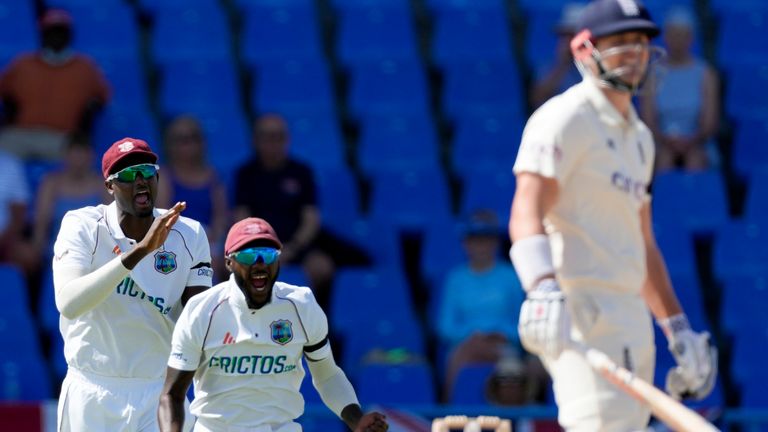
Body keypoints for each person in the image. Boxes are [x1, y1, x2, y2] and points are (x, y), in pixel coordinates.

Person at [508, 0, 717, 430]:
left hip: (631, 316)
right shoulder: (564, 117)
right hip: (580, 311)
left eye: (641, 41)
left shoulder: (640, 137)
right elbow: (526, 209)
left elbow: (641, 243)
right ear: (585, 49)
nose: (635, 52)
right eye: (620, 41)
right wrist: (541, 286)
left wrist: (676, 327)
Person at [157, 217, 389, 432]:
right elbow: (172, 395)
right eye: (248, 256)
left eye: (268, 254)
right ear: (229, 262)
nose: (260, 264)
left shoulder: (302, 305)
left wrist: (356, 419)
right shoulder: (202, 310)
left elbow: (327, 376)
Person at [52, 137, 213, 431]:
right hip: (92, 391)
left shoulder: (189, 234)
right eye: (127, 174)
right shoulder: (82, 225)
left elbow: (198, 325)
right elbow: (68, 304)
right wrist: (139, 251)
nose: (140, 181)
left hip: (159, 392)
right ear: (109, 186)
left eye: (147, 172)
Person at [233, 113, 369, 308]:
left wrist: (293, 248)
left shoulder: (301, 171)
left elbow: (311, 219)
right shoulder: (245, 174)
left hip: (297, 244)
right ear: (256, 140)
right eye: (267, 137)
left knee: (323, 267)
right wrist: (267, 251)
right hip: (261, 247)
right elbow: (242, 219)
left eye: (278, 137)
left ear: (286, 139)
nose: (273, 143)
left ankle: (318, 320)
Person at [435, 209, 526, 401]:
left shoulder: (510, 277)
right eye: (475, 240)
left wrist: (502, 333)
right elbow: (445, 326)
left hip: (503, 345)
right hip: (465, 345)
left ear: (495, 242)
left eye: (486, 239)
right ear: (465, 243)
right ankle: (451, 410)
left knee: (511, 366)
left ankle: (513, 413)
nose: (481, 246)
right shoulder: (455, 279)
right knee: (461, 356)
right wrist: (473, 335)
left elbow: (522, 322)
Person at [0, 9, 110, 161]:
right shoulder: (23, 64)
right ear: (42, 35)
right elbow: (4, 90)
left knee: (78, 157)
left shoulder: (85, 68)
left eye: (60, 32)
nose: (56, 37)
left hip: (62, 138)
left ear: (69, 35)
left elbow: (102, 97)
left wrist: (87, 117)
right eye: (50, 32)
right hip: (21, 135)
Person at [639, 6, 720, 172]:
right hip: (660, 143)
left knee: (695, 160)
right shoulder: (652, 75)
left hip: (698, 143)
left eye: (683, 35)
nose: (678, 41)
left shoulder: (706, 74)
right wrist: (666, 141)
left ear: (691, 38)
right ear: (666, 37)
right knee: (664, 160)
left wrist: (691, 141)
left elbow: (709, 123)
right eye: (674, 35)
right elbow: (648, 120)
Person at [157, 115, 229, 282]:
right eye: (181, 140)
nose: (188, 145)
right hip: (175, 240)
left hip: (208, 241)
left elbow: (220, 217)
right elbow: (162, 219)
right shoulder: (164, 177)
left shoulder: (213, 177)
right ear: (170, 144)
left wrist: (210, 241)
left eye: (192, 138)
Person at [32, 135, 110, 257]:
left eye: (81, 157)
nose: (78, 163)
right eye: (74, 157)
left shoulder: (102, 185)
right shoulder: (52, 184)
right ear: (65, 156)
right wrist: (36, 251)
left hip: (95, 254)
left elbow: (111, 224)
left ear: (91, 157)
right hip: (58, 254)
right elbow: (41, 223)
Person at [530, 3, 587, 109]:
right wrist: (562, 64)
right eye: (565, 35)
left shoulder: (599, 63)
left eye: (573, 35)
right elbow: (537, 99)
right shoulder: (547, 67)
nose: (569, 40)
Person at [0, 149, 37, 277]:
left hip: (5, 241)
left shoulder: (10, 165)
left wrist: (4, 240)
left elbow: (18, 216)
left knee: (28, 256)